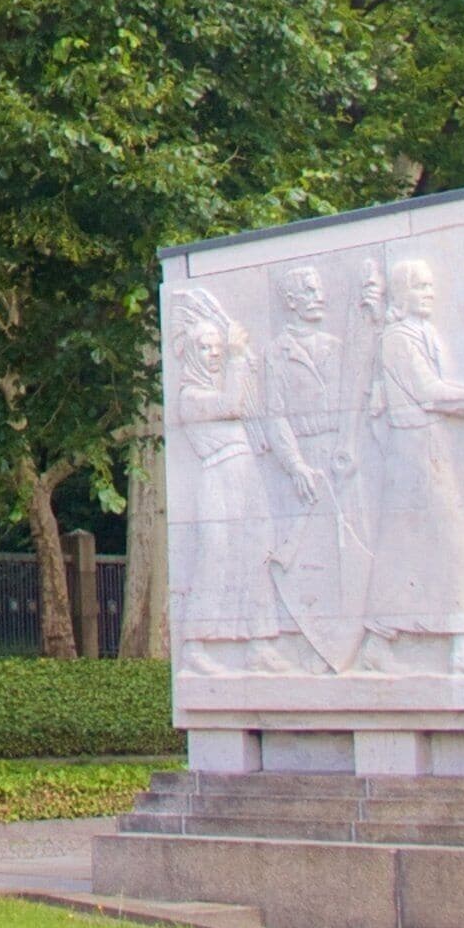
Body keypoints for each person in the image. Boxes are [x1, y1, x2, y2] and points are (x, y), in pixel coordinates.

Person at [354, 258, 464, 675]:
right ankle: (425, 643)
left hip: (430, 444)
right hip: (412, 448)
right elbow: (427, 390)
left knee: (434, 546)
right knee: (426, 545)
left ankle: (434, 642)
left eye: (431, 285)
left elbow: (441, 387)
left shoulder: (426, 333)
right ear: (401, 294)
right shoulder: (397, 338)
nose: (429, 293)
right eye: (420, 286)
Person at [167, 287, 285, 673]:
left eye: (218, 346)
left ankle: (259, 644)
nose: (214, 352)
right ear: (191, 354)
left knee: (257, 558)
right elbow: (231, 406)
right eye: (205, 347)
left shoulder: (221, 381)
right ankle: (196, 648)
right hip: (219, 480)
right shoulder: (190, 397)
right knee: (214, 562)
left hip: (246, 477)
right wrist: (236, 358)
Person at [261, 262, 363, 671]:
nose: (318, 297)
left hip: (338, 457)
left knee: (345, 550)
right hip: (302, 461)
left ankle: (345, 643)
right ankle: (303, 643)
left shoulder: (338, 347)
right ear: (290, 301)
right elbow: (275, 415)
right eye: (308, 290)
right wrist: (296, 465)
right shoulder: (277, 352)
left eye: (319, 289)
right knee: (302, 555)